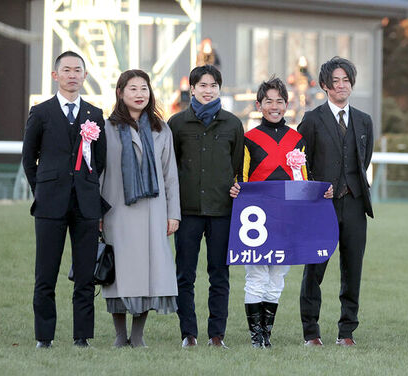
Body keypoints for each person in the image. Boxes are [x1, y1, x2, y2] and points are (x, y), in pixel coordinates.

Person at [229, 77, 333, 348]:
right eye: (268, 101)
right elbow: (241, 177)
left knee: (278, 276)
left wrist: (320, 192)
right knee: (256, 275)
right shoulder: (248, 138)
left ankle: (267, 334)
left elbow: (304, 180)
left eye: (279, 101)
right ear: (259, 105)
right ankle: (255, 336)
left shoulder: (297, 139)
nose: (274, 106)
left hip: (289, 217)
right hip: (257, 218)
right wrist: (237, 190)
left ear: (286, 105)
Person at [22, 51, 107, 348]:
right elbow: (28, 158)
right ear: (55, 75)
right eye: (66, 70)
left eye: (78, 70)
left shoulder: (95, 115)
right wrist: (43, 188)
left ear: (85, 76)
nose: (72, 75)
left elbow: (100, 160)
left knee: (85, 274)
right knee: (45, 273)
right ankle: (44, 337)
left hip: (85, 204)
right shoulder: (40, 112)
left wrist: (85, 187)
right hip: (49, 203)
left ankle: (81, 336)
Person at [100, 69, 181, 348]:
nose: (139, 94)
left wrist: (173, 214)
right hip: (116, 209)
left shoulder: (161, 129)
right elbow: (99, 172)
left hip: (153, 211)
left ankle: (138, 335)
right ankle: (120, 336)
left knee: (149, 272)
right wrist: (96, 212)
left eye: (144, 88)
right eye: (132, 88)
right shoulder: (107, 128)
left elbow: (170, 174)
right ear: (120, 93)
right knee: (120, 273)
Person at [297, 57, 374, 347]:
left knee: (352, 270)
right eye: (336, 81)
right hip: (321, 207)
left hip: (355, 204)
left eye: (346, 80)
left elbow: (363, 159)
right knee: (315, 269)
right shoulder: (312, 119)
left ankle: (347, 332)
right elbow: (301, 164)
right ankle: (311, 332)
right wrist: (318, 189)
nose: (341, 85)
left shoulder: (364, 120)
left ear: (351, 84)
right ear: (325, 85)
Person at [168, 65, 245, 348]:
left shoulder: (233, 124)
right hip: (187, 213)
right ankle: (188, 333)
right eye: (202, 85)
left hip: (222, 212)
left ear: (219, 89)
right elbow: (170, 169)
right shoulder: (176, 124)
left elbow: (237, 167)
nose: (208, 90)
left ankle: (216, 335)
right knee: (184, 275)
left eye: (213, 85)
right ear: (192, 89)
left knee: (219, 275)